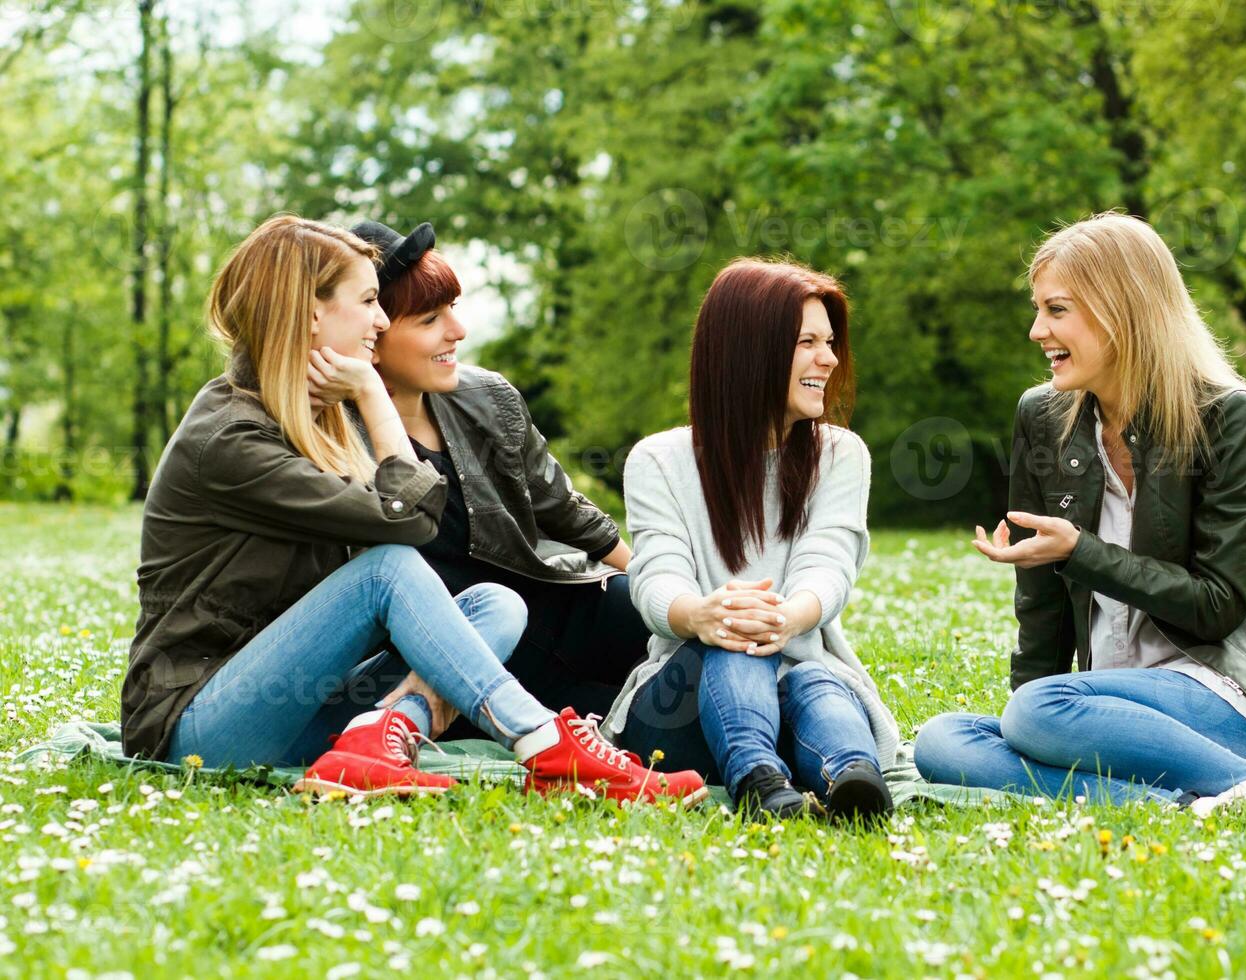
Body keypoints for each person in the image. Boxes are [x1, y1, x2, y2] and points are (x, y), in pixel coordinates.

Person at [121, 214, 705, 805]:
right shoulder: (232, 437)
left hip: (301, 703)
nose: (380, 318)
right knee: (388, 568)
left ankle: (374, 743)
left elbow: (543, 511)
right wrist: (374, 393)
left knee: (497, 604)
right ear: (312, 312)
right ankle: (545, 743)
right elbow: (407, 521)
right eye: (370, 301)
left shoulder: (307, 411)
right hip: (197, 726)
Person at [914, 212, 1246, 815]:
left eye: (1056, 310)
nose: (1035, 331)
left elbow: (1216, 606)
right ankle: (1181, 803)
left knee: (1036, 711)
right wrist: (1040, 731)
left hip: (1223, 692)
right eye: (1037, 309)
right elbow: (1042, 607)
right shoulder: (1042, 417)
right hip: (1100, 704)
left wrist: (1082, 552)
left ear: (1121, 310)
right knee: (942, 740)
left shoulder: (1224, 415)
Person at [603, 257, 900, 819]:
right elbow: (655, 573)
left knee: (814, 677)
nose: (829, 359)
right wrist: (703, 616)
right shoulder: (660, 461)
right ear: (751, 351)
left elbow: (829, 563)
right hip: (684, 709)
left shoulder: (841, 456)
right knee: (736, 648)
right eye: (807, 342)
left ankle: (853, 778)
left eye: (830, 341)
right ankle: (759, 782)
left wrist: (788, 618)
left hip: (804, 688)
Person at [349, 220, 650, 721]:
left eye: (453, 310)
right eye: (429, 319)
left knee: (682, 638)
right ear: (372, 336)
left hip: (556, 603)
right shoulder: (329, 438)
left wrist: (654, 582)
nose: (457, 331)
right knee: (649, 728)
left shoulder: (486, 396)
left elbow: (562, 509)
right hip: (469, 657)